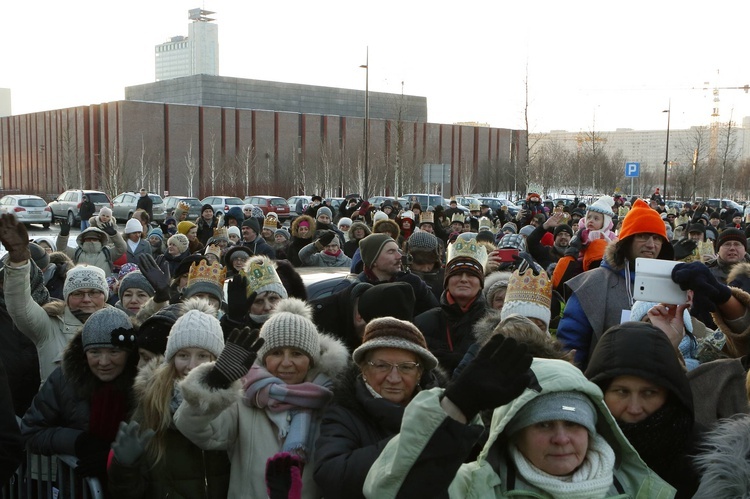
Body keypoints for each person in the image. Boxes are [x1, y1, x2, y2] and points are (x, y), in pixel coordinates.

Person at [362, 340, 674, 498]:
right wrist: (455, 406)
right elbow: (390, 493)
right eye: (544, 424)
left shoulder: (642, 489)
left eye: (575, 425)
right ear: (514, 433)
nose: (562, 439)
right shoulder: (473, 487)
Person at [174, 298, 349, 498]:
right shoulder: (244, 397)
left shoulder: (330, 401)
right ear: (264, 358)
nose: (286, 362)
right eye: (276, 352)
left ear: (311, 360)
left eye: (296, 353)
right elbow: (195, 429)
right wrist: (213, 384)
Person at [314, 317, 443, 499]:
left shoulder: (443, 411)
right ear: (364, 369)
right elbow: (332, 475)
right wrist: (412, 439)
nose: (394, 378)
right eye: (382, 366)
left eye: (406, 367)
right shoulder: (344, 412)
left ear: (420, 373)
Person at [108, 306, 230, 498]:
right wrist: (125, 467)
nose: (191, 365)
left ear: (216, 359)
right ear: (171, 359)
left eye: (202, 355)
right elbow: (128, 493)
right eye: (183, 355)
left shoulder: (232, 406)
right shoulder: (152, 403)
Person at [21, 307, 139, 482]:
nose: (104, 362)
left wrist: (114, 458)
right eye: (95, 352)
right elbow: (31, 432)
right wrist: (77, 442)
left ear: (129, 353)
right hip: (76, 485)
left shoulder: (143, 382)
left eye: (114, 352)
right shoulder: (64, 379)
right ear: (84, 353)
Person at [585, 322, 702, 498]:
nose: (634, 408)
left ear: (669, 394)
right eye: (622, 392)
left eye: (649, 393)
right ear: (600, 391)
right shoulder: (573, 445)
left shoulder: (701, 457)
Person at [557, 199, 675, 368]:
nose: (651, 245)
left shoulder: (670, 285)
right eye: (642, 236)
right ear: (626, 241)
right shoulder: (592, 284)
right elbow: (571, 346)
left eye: (657, 238)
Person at [2, 219, 113, 383]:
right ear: (67, 296)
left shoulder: (118, 323)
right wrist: (19, 263)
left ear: (105, 295)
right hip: (57, 408)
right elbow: (19, 306)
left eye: (94, 292)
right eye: (78, 294)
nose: (87, 299)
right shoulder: (48, 326)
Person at [415, 232, 488, 374]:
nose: (464, 279)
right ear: (447, 281)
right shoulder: (423, 322)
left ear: (480, 284)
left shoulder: (494, 323)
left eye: (472, 275)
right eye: (457, 274)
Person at [346, 233, 438, 317]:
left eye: (398, 251)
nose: (399, 256)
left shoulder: (413, 282)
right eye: (391, 252)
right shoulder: (358, 289)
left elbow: (435, 314)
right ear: (373, 260)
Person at [57, 221, 127, 276]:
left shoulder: (107, 252)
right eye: (88, 239)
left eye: (94, 239)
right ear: (83, 240)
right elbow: (62, 250)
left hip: (103, 286)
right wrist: (63, 235)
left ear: (100, 240)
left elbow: (122, 248)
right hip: (82, 287)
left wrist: (114, 235)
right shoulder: (77, 252)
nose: (91, 241)